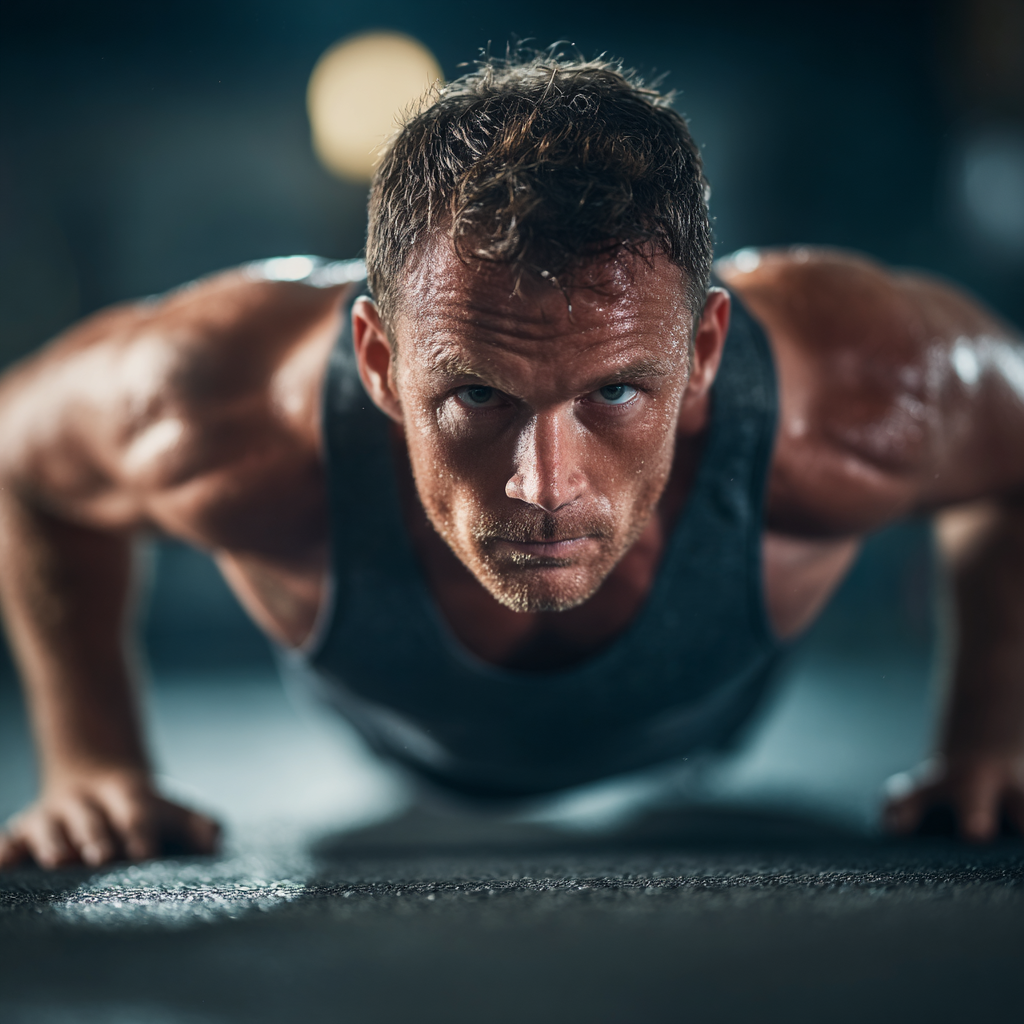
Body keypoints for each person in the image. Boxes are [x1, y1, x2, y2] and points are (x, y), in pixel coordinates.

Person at [1, 55, 1022, 871]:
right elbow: (24, 459)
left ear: (704, 349)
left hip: (712, 724)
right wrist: (94, 760)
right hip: (401, 736)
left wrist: (993, 730)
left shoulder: (858, 390)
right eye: (478, 396)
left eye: (613, 393)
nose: (543, 486)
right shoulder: (224, 403)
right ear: (380, 361)